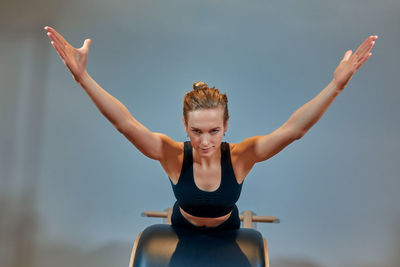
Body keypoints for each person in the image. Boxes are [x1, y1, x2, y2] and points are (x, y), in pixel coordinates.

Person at [44, 26, 378, 232]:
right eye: (196, 131)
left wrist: (336, 86)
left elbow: (294, 130)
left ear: (226, 126)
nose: (205, 141)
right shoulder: (172, 154)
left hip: (228, 233)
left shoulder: (241, 157)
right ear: (185, 127)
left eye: (214, 131)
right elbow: (124, 123)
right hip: (181, 231)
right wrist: (82, 77)